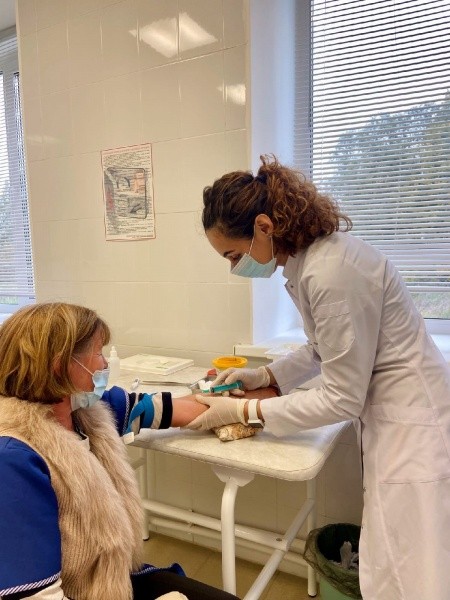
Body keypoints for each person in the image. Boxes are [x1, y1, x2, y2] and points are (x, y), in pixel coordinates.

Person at [187, 155, 450, 600]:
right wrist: (263, 375)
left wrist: (245, 411)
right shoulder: (312, 262)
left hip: (413, 426)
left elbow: (342, 398)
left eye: (233, 255)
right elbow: (320, 348)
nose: (234, 268)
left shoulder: (331, 272)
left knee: (413, 568)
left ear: (264, 227)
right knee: (396, 556)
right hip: (395, 419)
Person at [0, 302, 239, 600]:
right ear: (60, 366)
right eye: (98, 353)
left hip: (113, 577)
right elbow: (37, 596)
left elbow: (159, 408)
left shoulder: (84, 411)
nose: (105, 365)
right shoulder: (14, 460)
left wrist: (246, 406)